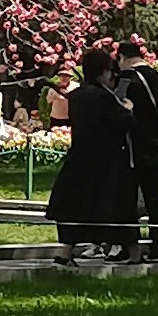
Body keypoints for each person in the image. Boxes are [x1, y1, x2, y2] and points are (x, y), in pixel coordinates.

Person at [50, 42, 129, 262]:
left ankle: (66, 251)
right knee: (103, 203)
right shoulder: (103, 98)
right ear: (104, 72)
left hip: (79, 154)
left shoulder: (78, 96)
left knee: (74, 204)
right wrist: (127, 109)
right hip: (103, 160)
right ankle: (111, 246)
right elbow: (123, 121)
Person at [115, 35, 158, 257]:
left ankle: (130, 247)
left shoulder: (126, 80)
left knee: (128, 198)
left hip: (133, 147)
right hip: (157, 145)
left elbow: (119, 111)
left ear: (121, 57)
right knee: (154, 198)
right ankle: (157, 246)